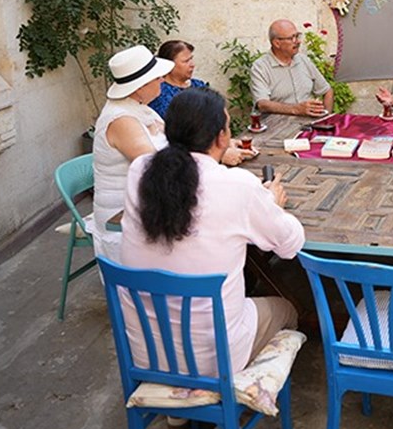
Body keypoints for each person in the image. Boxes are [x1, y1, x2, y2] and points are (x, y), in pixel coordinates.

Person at [120, 87, 305, 380]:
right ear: (221, 137)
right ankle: (248, 388)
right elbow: (290, 244)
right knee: (287, 308)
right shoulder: (237, 185)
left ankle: (178, 411)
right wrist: (271, 203)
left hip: (147, 351)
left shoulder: (141, 171)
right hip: (214, 357)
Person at [91, 45, 174, 263]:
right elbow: (158, 167)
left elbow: (174, 139)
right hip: (122, 215)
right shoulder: (121, 119)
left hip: (150, 203)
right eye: (157, 77)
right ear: (139, 87)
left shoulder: (140, 107)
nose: (162, 81)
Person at [250, 19, 334, 117]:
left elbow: (327, 90)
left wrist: (326, 118)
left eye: (297, 36)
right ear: (277, 43)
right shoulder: (260, 67)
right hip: (278, 128)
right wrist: (296, 109)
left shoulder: (303, 60)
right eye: (292, 38)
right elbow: (262, 104)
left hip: (308, 125)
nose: (298, 41)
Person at [147, 40, 207, 118]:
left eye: (191, 59)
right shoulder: (158, 92)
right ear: (169, 64)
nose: (192, 65)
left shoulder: (199, 86)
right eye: (186, 61)